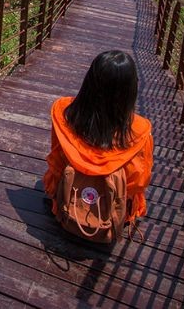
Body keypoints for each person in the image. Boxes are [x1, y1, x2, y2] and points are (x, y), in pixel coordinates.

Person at [44, 50, 153, 234]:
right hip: (112, 215)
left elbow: (56, 162)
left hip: (66, 201)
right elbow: (138, 182)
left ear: (89, 82)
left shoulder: (63, 112)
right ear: (130, 90)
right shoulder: (140, 131)